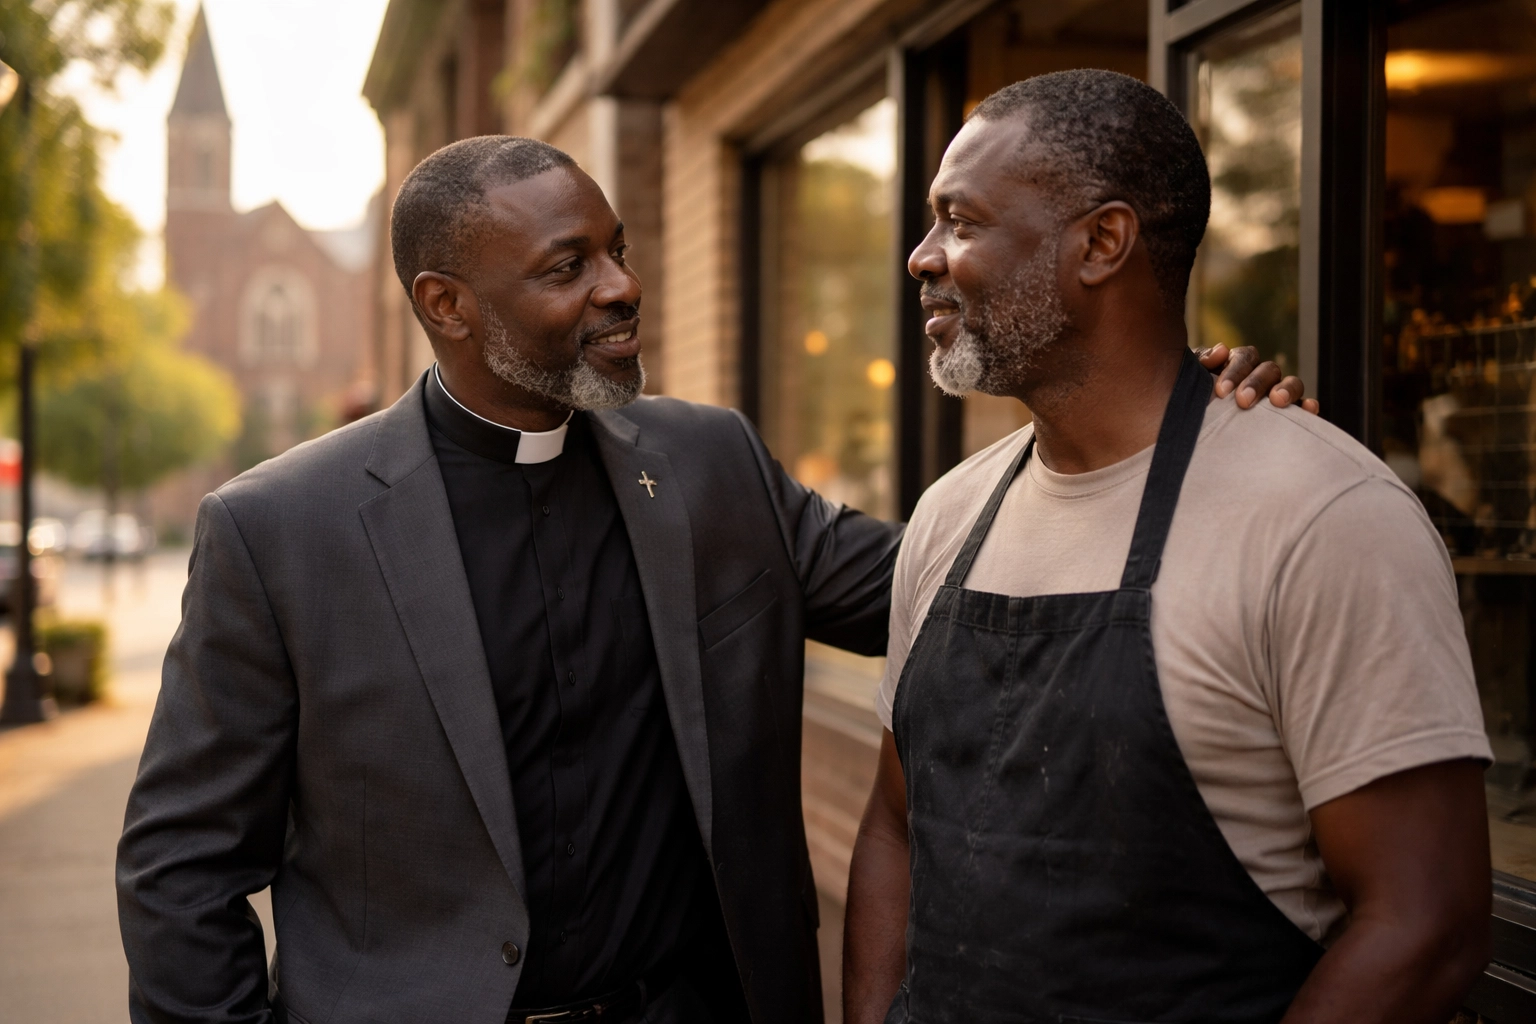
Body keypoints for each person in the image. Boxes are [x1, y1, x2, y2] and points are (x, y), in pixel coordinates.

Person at [116, 135, 1303, 1024]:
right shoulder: (279, 531)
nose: (622, 286)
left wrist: (1156, 425)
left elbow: (948, 581)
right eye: (568, 266)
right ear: (449, 306)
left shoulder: (708, 461)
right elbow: (180, 872)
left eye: (619, 251)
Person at [843, 71, 1493, 1024]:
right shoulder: (948, 516)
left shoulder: (1322, 515)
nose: (922, 257)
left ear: (1102, 242)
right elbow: (897, 828)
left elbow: (1426, 925)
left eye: (960, 220)